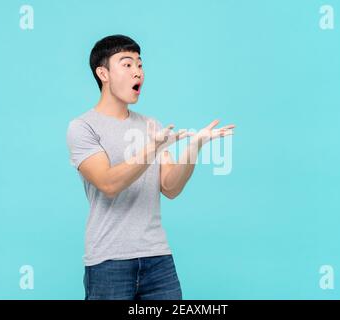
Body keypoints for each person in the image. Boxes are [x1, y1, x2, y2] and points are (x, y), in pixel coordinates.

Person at [66, 34, 235, 300]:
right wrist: (152, 149)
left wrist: (194, 147)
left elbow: (170, 187)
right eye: (127, 64)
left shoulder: (150, 125)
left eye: (140, 65)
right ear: (103, 73)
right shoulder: (83, 127)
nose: (138, 72)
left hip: (158, 258)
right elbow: (109, 184)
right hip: (109, 261)